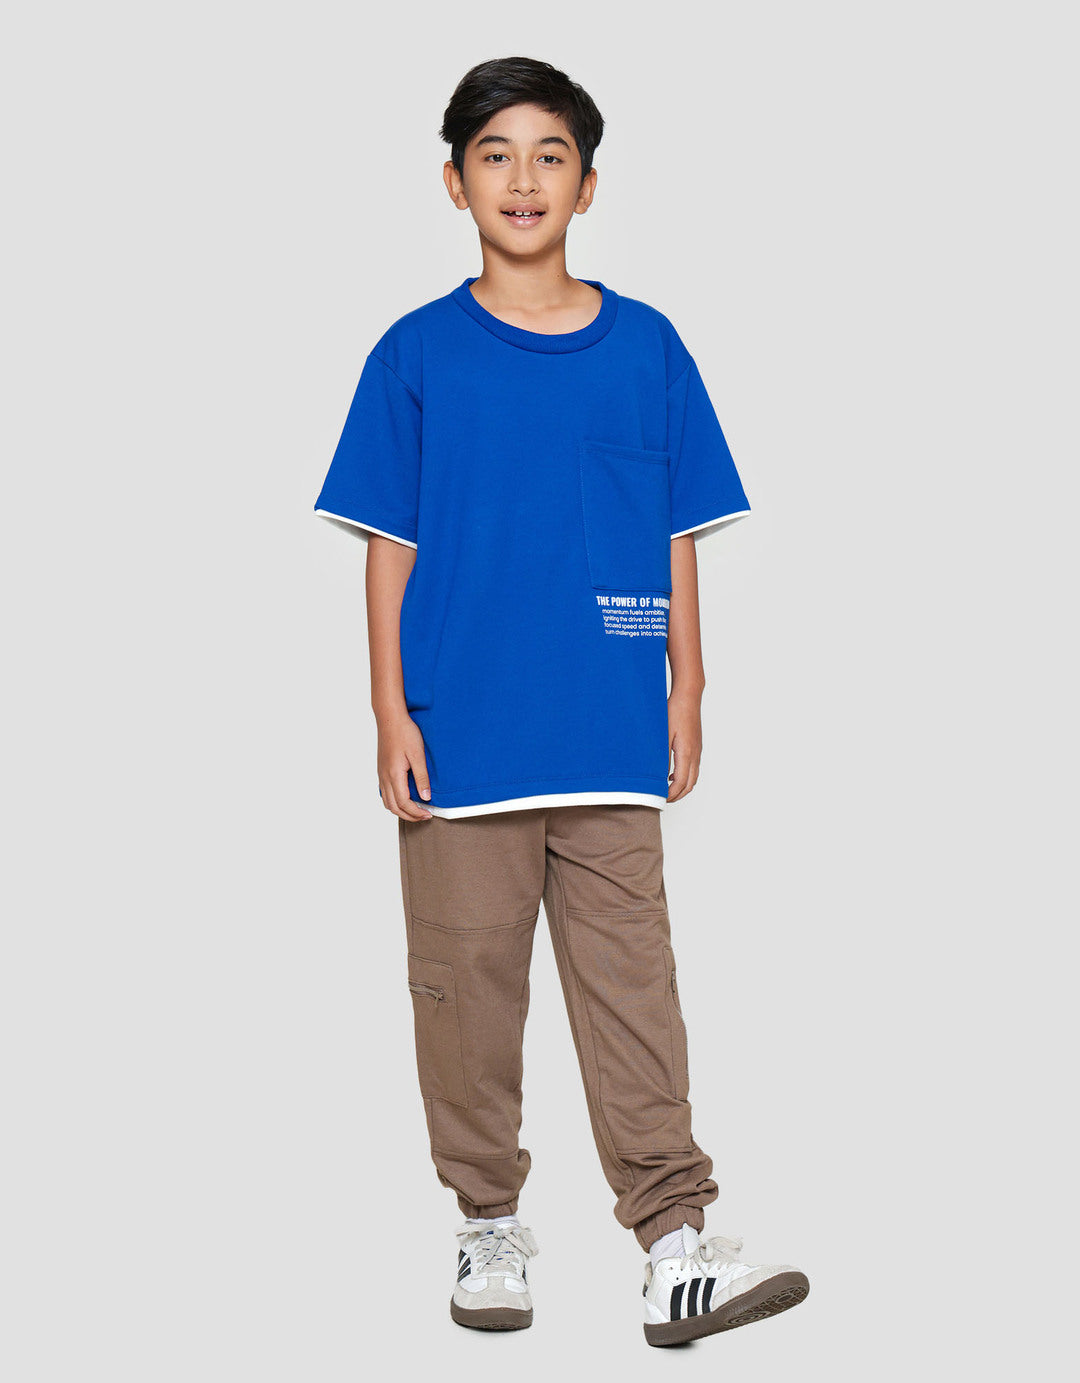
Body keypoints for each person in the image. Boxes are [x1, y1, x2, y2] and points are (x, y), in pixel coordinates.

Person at [313, 55, 809, 1348]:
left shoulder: (647, 348)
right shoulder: (416, 355)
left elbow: (674, 527)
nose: (523, 178)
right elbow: (388, 546)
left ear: (589, 186)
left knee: (636, 991)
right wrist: (391, 711)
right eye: (495, 154)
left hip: (605, 733)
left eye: (550, 155)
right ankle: (488, 1222)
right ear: (453, 182)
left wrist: (688, 682)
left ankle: (676, 1245)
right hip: (463, 737)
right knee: (465, 993)